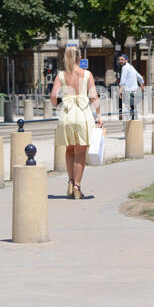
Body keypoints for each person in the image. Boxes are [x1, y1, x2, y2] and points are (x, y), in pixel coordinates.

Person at [50, 46, 102, 199]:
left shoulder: (61, 75)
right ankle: (78, 185)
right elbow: (93, 96)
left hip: (66, 115)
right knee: (80, 152)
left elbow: (53, 96)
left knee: (69, 150)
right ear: (80, 58)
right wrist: (99, 115)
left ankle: (70, 182)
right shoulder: (86, 74)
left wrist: (58, 103)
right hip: (82, 114)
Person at [118, 54, 144, 119]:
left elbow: (123, 80)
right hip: (135, 90)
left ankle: (120, 112)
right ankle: (134, 120)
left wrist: (120, 90)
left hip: (128, 90)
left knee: (119, 98)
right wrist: (142, 86)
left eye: (122, 59)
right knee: (133, 107)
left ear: (126, 60)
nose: (120, 61)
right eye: (119, 60)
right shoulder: (131, 67)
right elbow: (140, 77)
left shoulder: (124, 68)